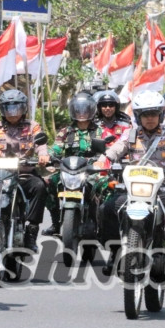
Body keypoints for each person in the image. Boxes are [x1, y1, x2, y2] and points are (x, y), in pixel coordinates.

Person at [98, 90, 165, 277]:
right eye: (145, 115)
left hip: (163, 188)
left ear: (160, 115)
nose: (150, 119)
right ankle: (116, 251)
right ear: (138, 116)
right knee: (106, 208)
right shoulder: (131, 133)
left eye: (153, 114)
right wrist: (102, 160)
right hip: (134, 189)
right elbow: (116, 149)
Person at [0, 89, 50, 252]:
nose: (12, 112)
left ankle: (31, 233)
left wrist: (43, 155)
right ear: (2, 110)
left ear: (24, 109)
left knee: (40, 187)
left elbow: (41, 145)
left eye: (16, 108)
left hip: (23, 174)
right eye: (8, 108)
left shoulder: (32, 127)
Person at [42, 92, 103, 236]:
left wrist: (101, 162)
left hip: (91, 171)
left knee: (101, 187)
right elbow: (55, 148)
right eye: (78, 110)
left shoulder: (100, 131)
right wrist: (48, 157)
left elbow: (108, 150)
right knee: (49, 183)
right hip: (68, 170)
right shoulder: (66, 131)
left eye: (85, 110)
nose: (82, 113)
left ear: (92, 111)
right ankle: (56, 222)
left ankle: (97, 222)